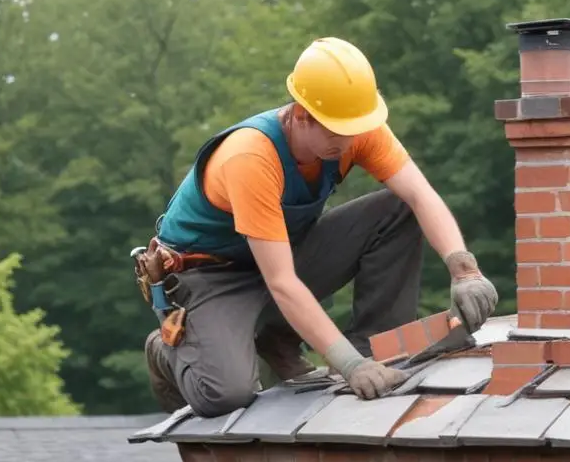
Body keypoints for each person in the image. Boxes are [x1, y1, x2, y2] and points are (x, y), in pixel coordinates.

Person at [138, 36, 498, 417]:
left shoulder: (356, 128)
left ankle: (375, 353)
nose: (346, 143)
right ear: (300, 113)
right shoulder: (250, 157)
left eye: (353, 130)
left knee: (397, 209)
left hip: (283, 255)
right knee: (225, 394)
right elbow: (281, 282)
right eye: (334, 132)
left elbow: (421, 196)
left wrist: (464, 270)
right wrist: (346, 365)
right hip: (211, 278)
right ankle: (168, 351)